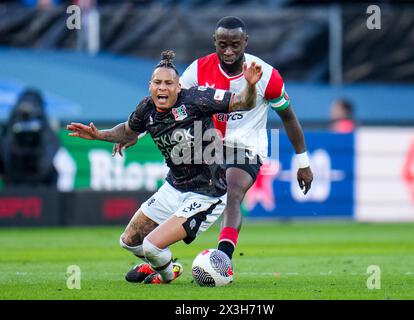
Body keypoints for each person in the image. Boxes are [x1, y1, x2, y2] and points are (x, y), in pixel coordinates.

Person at [113, 16, 314, 262]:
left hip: (245, 146)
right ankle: (161, 262)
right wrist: (136, 133)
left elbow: (289, 117)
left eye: (235, 45)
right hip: (208, 147)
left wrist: (303, 162)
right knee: (140, 230)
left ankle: (223, 259)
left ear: (246, 42)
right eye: (223, 44)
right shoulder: (197, 71)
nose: (229, 51)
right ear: (215, 42)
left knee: (233, 189)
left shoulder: (267, 75)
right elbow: (167, 103)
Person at [67, 50, 263, 284]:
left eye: (169, 83)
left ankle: (166, 275)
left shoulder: (197, 99)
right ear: (150, 86)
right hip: (174, 186)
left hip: (208, 193)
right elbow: (128, 131)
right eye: (157, 82)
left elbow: (243, 102)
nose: (163, 88)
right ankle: (165, 264)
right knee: (129, 241)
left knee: (151, 246)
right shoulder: (146, 108)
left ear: (179, 86)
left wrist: (250, 85)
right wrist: (100, 135)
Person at [0, 88, 60, 187]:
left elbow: (46, 163)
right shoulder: (9, 130)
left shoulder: (45, 131)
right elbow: (5, 159)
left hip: (43, 192)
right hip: (12, 192)